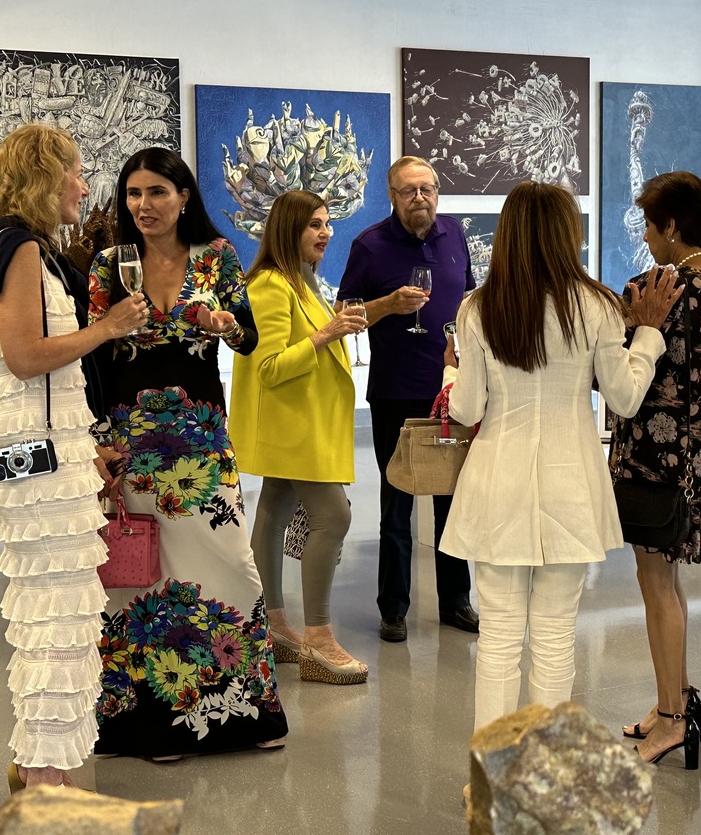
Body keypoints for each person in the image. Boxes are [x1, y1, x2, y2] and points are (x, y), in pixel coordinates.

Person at [440, 182, 681, 737]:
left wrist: (450, 372)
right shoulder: (594, 303)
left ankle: (495, 774)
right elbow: (623, 398)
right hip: (571, 484)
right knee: (554, 636)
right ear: (566, 233)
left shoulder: (478, 306)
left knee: (498, 638)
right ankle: (544, 772)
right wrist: (647, 336)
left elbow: (468, 407)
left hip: (496, 481)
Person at [0, 123, 148, 789]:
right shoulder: (21, 252)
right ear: (46, 176)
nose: (85, 186)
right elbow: (25, 356)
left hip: (42, 459)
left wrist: (84, 444)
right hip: (38, 468)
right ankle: (43, 782)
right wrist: (109, 327)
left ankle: (49, 776)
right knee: (54, 620)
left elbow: (36, 376)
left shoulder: (13, 247)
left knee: (57, 616)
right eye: (76, 172)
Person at [88, 148, 289, 758]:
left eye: (156, 192)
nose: (142, 206)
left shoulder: (217, 257)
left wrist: (225, 323)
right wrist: (99, 438)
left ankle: (240, 712)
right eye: (132, 194)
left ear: (182, 197)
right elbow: (93, 360)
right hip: (132, 438)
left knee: (228, 562)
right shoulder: (109, 263)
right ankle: (150, 723)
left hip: (200, 437)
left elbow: (249, 337)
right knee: (143, 574)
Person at [610, 172, 701, 767]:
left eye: (649, 225)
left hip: (651, 456)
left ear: (671, 226)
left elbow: (621, 376)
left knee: (656, 586)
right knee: (668, 584)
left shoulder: (652, 290)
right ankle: (674, 698)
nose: (646, 237)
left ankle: (672, 718)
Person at [231, 191, 369, 684]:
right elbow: (269, 367)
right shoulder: (271, 284)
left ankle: (271, 624)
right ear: (289, 229)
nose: (325, 232)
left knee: (273, 515)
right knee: (333, 517)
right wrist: (327, 334)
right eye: (314, 224)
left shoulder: (301, 282)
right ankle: (318, 637)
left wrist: (333, 329)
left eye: (327, 224)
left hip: (302, 426)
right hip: (292, 429)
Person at [339, 156, 478, 643]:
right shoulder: (370, 245)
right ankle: (393, 608)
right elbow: (345, 313)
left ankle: (456, 601)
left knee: (452, 501)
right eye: (408, 191)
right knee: (396, 503)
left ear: (437, 193)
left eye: (427, 189)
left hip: (450, 393)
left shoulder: (455, 236)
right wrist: (387, 306)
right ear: (392, 196)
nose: (420, 198)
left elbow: (471, 302)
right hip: (395, 394)